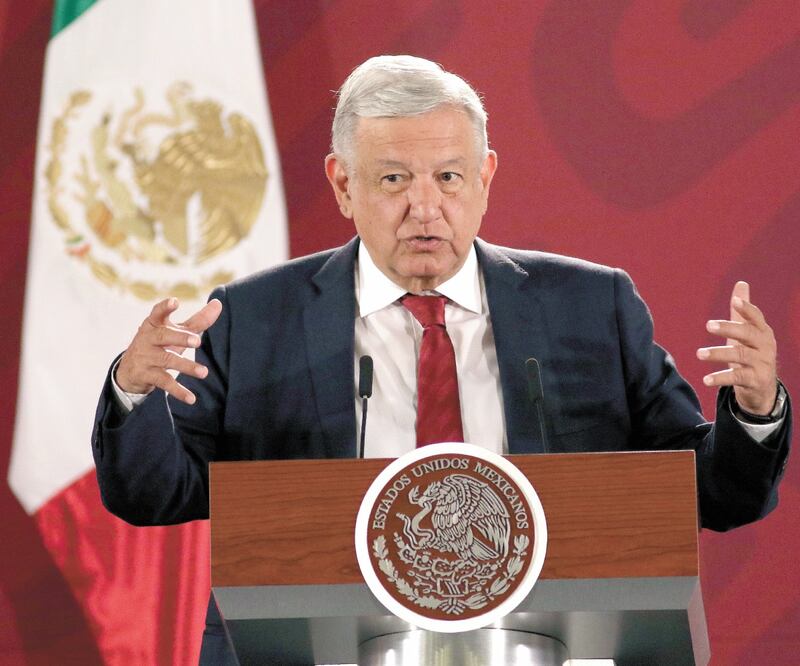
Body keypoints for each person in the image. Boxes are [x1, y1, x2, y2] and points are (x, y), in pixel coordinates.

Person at [92, 55, 790, 661]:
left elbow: (706, 492)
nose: (425, 208)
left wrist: (755, 415)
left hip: (553, 649)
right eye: (394, 180)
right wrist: (133, 392)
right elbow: (157, 495)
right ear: (342, 184)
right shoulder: (257, 318)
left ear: (485, 176)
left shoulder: (590, 307)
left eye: (449, 177)